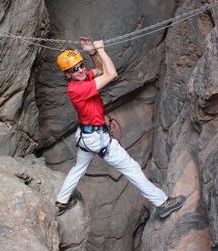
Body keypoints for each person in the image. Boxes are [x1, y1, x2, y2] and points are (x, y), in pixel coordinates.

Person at [55, 37, 185, 218]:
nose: (80, 70)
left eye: (80, 65)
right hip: (96, 139)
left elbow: (100, 69)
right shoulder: (77, 89)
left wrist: (92, 53)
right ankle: (162, 203)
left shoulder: (82, 78)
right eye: (74, 69)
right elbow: (111, 74)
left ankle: (61, 201)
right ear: (67, 74)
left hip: (87, 135)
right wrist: (100, 49)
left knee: (79, 168)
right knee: (131, 168)